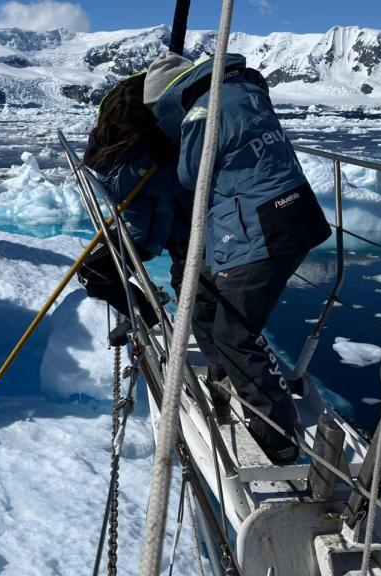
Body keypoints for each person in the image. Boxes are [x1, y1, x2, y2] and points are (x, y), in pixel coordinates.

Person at [142, 51, 332, 464]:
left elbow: (193, 176)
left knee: (235, 333)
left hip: (262, 224)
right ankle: (225, 375)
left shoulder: (199, 111)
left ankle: (278, 438)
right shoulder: (244, 90)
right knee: (207, 296)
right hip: (296, 212)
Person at [78, 73, 192, 345]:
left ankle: (148, 315)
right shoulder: (142, 151)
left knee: (95, 273)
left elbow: (139, 198)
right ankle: (143, 312)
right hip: (144, 227)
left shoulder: (146, 157)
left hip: (147, 232)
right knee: (96, 272)